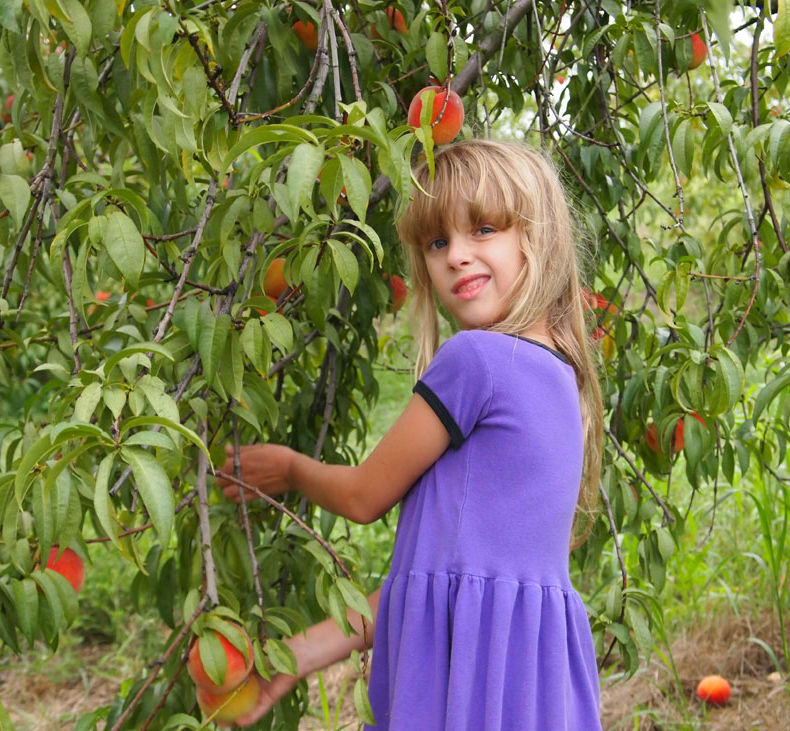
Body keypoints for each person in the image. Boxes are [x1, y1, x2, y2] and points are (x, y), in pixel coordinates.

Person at [216, 138, 604, 729]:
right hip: (530, 695)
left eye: (483, 230)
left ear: (536, 235)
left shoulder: (477, 361)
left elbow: (361, 497)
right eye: (437, 242)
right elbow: (440, 587)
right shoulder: (561, 380)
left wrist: (290, 468)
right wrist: (298, 655)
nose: (456, 256)